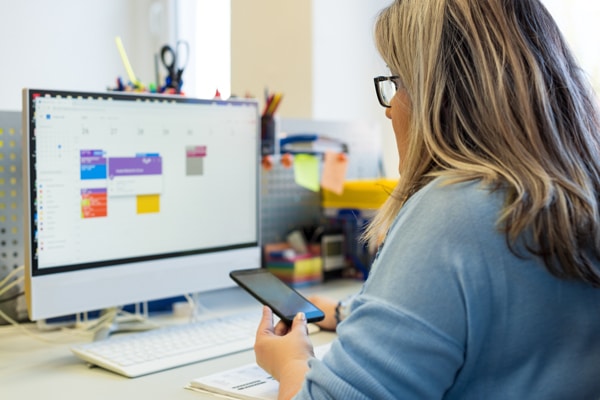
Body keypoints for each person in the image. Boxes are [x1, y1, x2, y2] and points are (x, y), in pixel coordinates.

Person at [254, 0, 600, 398]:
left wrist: (291, 360)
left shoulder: (456, 209)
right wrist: (349, 312)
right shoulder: (572, 196)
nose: (390, 110)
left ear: (440, 93)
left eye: (396, 83)